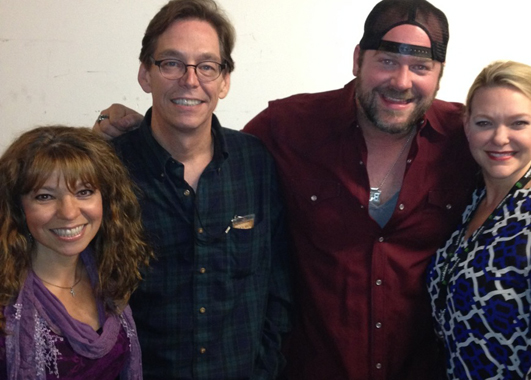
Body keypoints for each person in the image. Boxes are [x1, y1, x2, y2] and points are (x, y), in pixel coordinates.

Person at [93, 0, 485, 378]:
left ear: (439, 73)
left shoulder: (469, 139)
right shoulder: (286, 130)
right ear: (357, 60)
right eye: (386, 61)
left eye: (420, 66)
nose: (401, 81)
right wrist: (105, 139)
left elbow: (523, 167)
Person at [96, 0, 292, 379]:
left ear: (224, 80)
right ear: (145, 74)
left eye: (206, 65)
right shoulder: (107, 170)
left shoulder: (256, 164)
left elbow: (277, 288)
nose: (190, 80)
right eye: (171, 63)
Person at [427, 61, 531, 379]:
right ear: (466, 126)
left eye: (518, 123)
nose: (500, 138)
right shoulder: (471, 203)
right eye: (484, 123)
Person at [0, 126, 152, 379]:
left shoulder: (112, 276)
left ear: (107, 199)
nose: (69, 213)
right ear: (17, 208)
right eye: (45, 196)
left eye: (84, 192)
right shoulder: (5, 300)